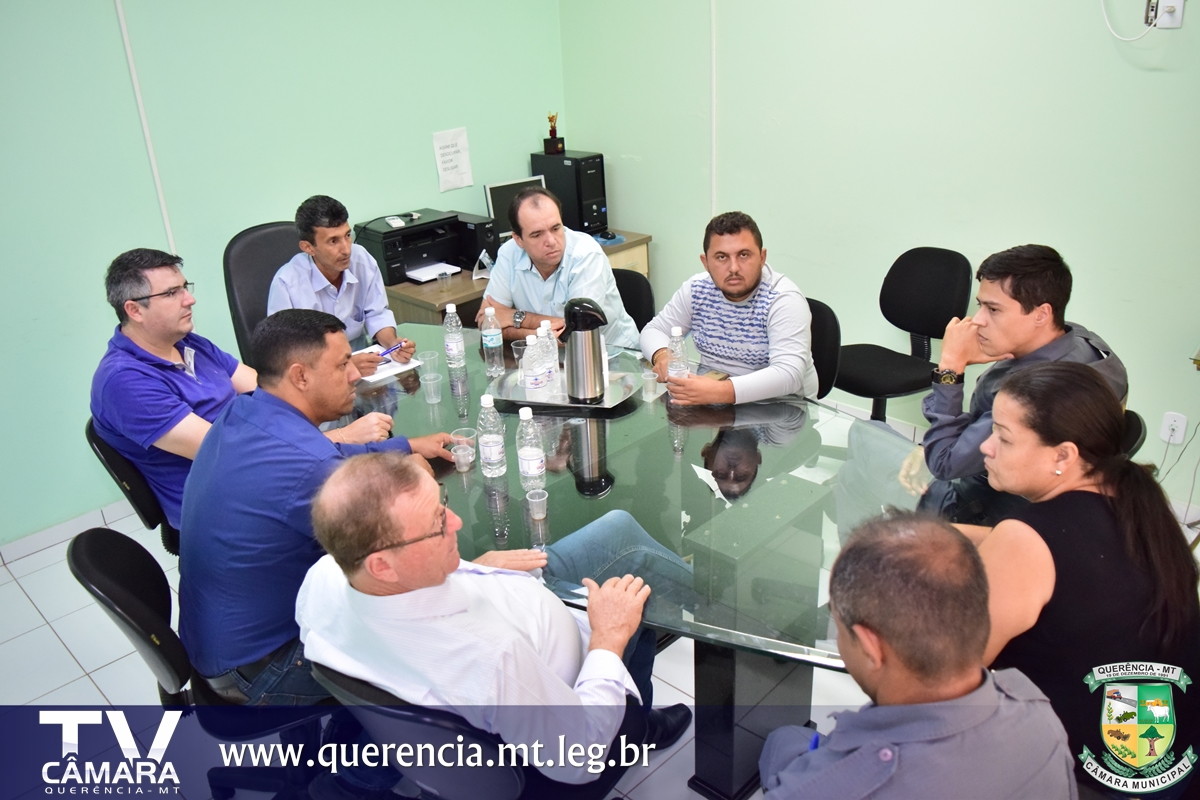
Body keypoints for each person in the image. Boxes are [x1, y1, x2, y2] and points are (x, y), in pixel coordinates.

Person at [297, 451, 695, 797]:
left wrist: (467, 569)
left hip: (511, 598)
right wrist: (608, 640)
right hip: (568, 692)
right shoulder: (489, 659)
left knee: (619, 529)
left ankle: (639, 708)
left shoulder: (324, 575)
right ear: (382, 566)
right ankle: (635, 724)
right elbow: (579, 758)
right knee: (635, 609)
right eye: (437, 524)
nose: (454, 522)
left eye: (443, 502)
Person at [177, 309, 452, 706]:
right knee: (432, 654)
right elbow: (398, 550)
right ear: (300, 376)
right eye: (342, 365)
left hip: (219, 640)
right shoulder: (308, 468)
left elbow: (328, 450)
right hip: (264, 665)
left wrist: (405, 445)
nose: (355, 375)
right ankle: (370, 767)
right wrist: (415, 473)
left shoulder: (246, 409)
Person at [962, 362, 1199, 799]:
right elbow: (1069, 560)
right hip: (1163, 771)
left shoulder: (1027, 538)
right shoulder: (1141, 507)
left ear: (1063, 455)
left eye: (1003, 436)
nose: (986, 449)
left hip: (1070, 778)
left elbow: (953, 681)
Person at [759, 511, 1077, 799]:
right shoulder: (1040, 715)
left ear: (871, 646)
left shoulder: (818, 790)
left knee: (782, 741)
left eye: (839, 626)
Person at [90, 248, 388, 531]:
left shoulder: (189, 344)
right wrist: (342, 436)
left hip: (260, 472)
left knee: (386, 479)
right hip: (223, 507)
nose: (189, 299)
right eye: (172, 293)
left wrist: (334, 374)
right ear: (134, 310)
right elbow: (226, 452)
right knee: (374, 513)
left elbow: (273, 390)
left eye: (185, 287)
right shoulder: (124, 381)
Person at [907, 244, 1127, 524]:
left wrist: (950, 368)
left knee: (862, 464)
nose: (978, 321)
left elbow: (944, 463)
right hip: (1065, 503)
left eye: (994, 309)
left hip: (990, 507)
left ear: (1041, 314)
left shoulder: (1033, 394)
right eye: (980, 305)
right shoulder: (1089, 344)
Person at [640, 212, 818, 405]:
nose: (733, 267)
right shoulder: (697, 289)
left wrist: (722, 392)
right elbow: (654, 330)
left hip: (781, 409)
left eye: (743, 255)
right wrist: (663, 355)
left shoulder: (783, 299)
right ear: (706, 262)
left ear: (762, 257)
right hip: (716, 405)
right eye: (721, 257)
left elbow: (789, 375)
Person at [268, 195, 415, 377]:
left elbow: (377, 314)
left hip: (366, 370)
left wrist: (393, 344)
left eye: (347, 236)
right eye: (333, 241)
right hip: (316, 377)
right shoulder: (287, 284)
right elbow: (287, 354)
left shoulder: (362, 260)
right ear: (308, 248)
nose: (346, 249)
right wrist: (344, 365)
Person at [476, 186, 639, 349]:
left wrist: (516, 317)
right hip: (548, 357)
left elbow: (575, 333)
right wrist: (533, 336)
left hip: (613, 355)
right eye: (537, 234)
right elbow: (486, 322)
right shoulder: (508, 253)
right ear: (518, 239)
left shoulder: (586, 254)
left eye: (556, 228)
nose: (551, 241)